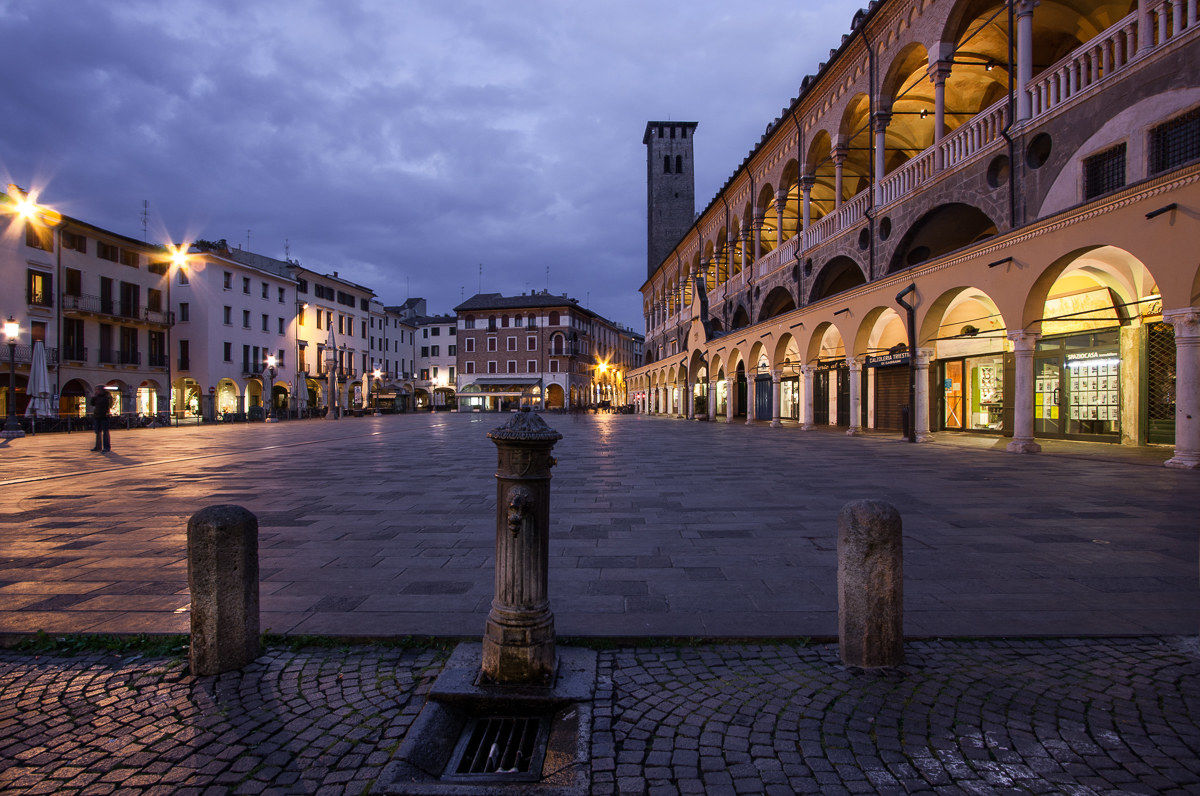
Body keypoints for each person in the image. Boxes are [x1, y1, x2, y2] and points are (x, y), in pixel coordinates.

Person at [91, 385, 112, 452]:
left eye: (97, 390)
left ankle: (106, 447)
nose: (96, 391)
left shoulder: (106, 397)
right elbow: (92, 404)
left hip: (104, 416)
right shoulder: (96, 397)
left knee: (105, 432)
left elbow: (109, 405)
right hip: (97, 416)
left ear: (101, 390)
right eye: (96, 390)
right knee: (98, 432)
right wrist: (94, 397)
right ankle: (98, 447)